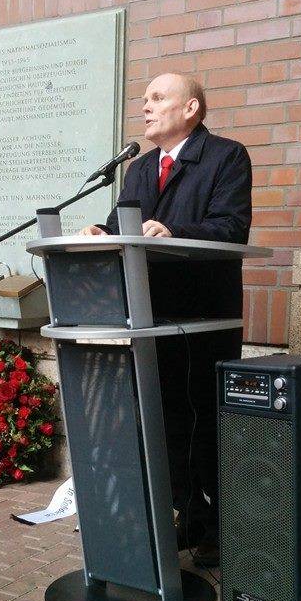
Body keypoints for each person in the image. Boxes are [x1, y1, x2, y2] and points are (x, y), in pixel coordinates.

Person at [81, 73, 252, 567]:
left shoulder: (225, 156)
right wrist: (100, 231)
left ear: (192, 108)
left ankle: (223, 525)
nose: (147, 106)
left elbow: (231, 226)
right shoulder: (137, 170)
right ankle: (186, 516)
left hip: (201, 316)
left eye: (158, 98)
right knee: (167, 422)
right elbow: (125, 228)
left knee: (207, 421)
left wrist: (175, 230)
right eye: (145, 99)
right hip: (149, 316)